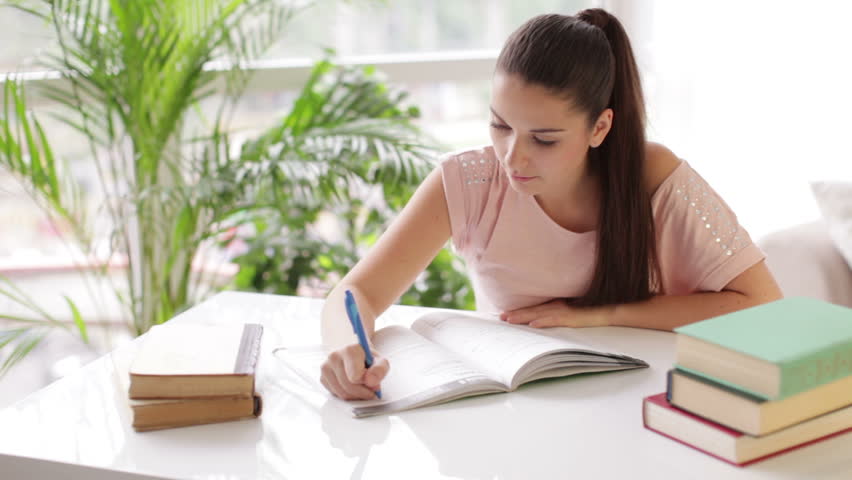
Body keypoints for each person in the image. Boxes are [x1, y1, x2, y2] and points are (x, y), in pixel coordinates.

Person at [318, 8, 783, 401]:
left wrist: (601, 315)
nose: (512, 157)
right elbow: (354, 294)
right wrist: (346, 348)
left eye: (543, 139)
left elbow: (762, 304)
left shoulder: (653, 176)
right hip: (514, 405)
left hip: (637, 398)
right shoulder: (468, 180)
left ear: (599, 129)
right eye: (500, 126)